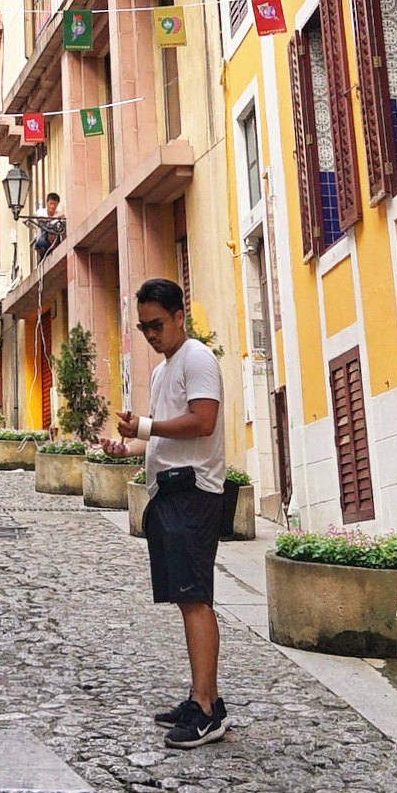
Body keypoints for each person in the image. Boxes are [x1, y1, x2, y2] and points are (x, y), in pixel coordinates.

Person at [136, 278, 229, 748]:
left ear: (179, 316)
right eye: (143, 327)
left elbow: (203, 421)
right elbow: (166, 433)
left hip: (194, 491)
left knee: (195, 599)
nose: (151, 335)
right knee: (186, 597)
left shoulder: (197, 358)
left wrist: (145, 427)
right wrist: (132, 446)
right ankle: (204, 695)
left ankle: (206, 709)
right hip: (171, 492)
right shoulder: (163, 370)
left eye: (157, 324)